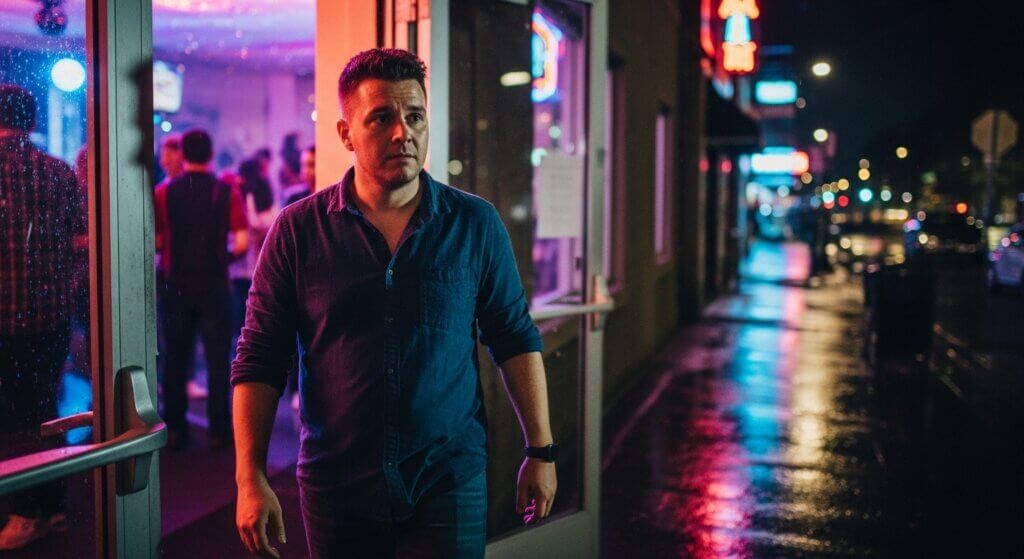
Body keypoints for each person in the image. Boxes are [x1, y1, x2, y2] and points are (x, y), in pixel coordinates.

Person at [231, 48, 557, 559]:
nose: (402, 133)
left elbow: (514, 336)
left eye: (414, 117)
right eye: (381, 118)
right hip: (338, 487)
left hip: (446, 480)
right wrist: (249, 476)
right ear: (346, 135)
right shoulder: (297, 232)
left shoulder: (474, 224)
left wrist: (541, 449)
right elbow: (259, 358)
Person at [0, 84, 86, 550]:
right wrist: (62, 290)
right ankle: (51, 506)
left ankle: (24, 511)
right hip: (50, 316)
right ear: (32, 122)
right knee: (44, 411)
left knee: (12, 416)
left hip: (4, 321)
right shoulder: (58, 172)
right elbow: (80, 242)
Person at [155, 128, 249, 450]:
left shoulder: (164, 193)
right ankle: (219, 430)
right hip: (214, 286)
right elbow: (242, 240)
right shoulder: (225, 192)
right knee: (217, 358)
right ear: (210, 154)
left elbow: (157, 241)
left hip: (175, 284)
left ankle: (176, 427)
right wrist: (223, 257)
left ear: (183, 154)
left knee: (175, 357)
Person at [229, 158, 277, 351]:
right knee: (249, 313)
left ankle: (245, 350)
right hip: (251, 267)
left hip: (245, 266)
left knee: (244, 313)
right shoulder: (254, 193)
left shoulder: (245, 195)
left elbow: (258, 223)